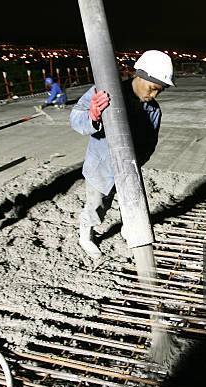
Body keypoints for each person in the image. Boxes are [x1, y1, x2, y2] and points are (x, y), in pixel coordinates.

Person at [69, 50, 174, 259]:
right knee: (97, 205)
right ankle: (85, 235)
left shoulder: (153, 110)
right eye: (152, 88)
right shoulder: (105, 92)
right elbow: (75, 118)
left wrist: (135, 162)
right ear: (139, 76)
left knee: (131, 202)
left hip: (129, 169)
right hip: (101, 168)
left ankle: (129, 232)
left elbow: (149, 143)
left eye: (158, 92)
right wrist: (92, 117)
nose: (153, 96)